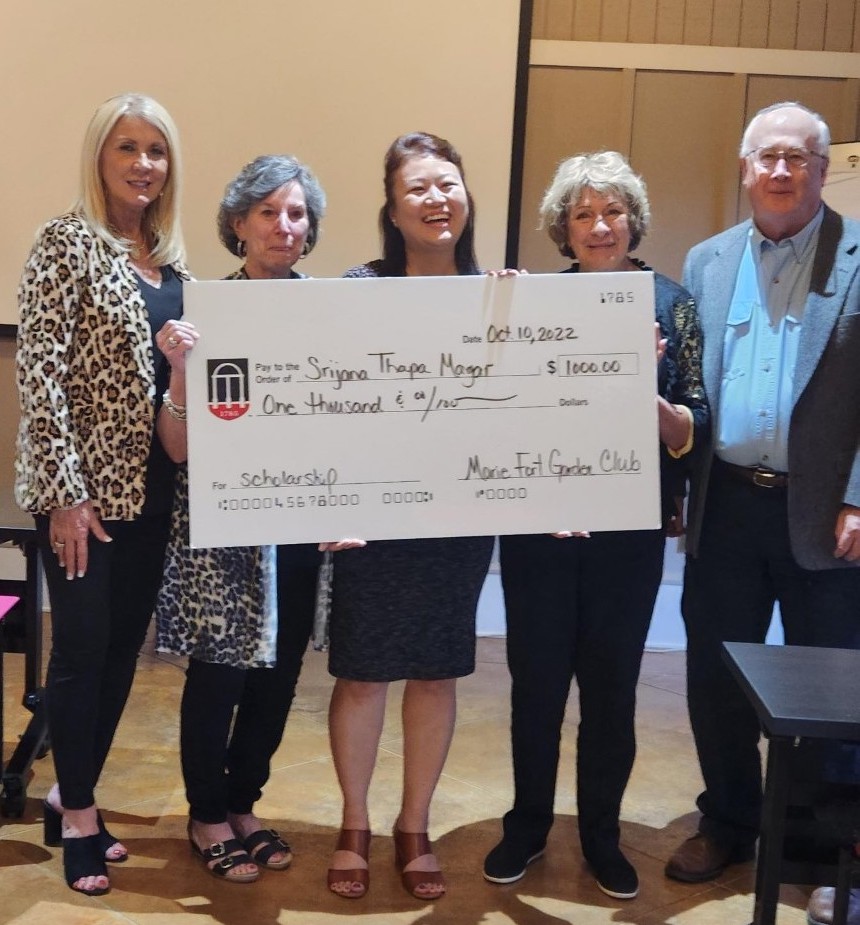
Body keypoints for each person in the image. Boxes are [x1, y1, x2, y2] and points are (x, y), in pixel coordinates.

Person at [481, 151, 708, 900]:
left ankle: (603, 836)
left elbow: (691, 431)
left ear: (633, 220)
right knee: (536, 685)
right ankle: (526, 826)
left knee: (611, 689)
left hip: (626, 532)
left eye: (612, 211)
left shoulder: (671, 303)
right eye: (582, 214)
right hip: (540, 528)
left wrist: (640, 383)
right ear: (563, 229)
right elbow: (496, 397)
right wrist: (494, 312)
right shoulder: (537, 300)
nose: (599, 226)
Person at [661, 103, 860, 925]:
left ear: (822, 171)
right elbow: (689, 391)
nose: (781, 172)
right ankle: (730, 817)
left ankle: (828, 846)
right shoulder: (706, 262)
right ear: (744, 168)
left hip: (827, 514)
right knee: (715, 675)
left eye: (799, 159)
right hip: (727, 505)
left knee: (834, 686)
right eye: (767, 157)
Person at [14, 93, 190, 896]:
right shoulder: (65, 242)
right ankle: (81, 814)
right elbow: (41, 373)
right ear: (100, 156)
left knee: (123, 654)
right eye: (127, 147)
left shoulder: (171, 265)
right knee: (82, 654)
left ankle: (66, 790)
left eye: (156, 149)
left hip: (157, 496)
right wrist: (62, 493)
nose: (143, 162)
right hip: (84, 500)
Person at [324, 132, 495, 901]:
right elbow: (328, 401)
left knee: (436, 669)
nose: (436, 199)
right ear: (392, 209)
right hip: (372, 514)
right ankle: (355, 823)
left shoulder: (499, 291)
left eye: (447, 185)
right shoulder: (358, 287)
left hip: (459, 514)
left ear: (466, 197)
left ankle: (413, 824)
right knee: (362, 674)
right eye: (418, 188)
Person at [155, 155, 329, 883]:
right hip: (224, 523)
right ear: (238, 224)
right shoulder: (200, 315)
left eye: (296, 214)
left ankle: (242, 800)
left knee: (280, 672)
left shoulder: (329, 310)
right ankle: (205, 813)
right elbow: (177, 445)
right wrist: (177, 371)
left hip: (297, 520)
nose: (283, 227)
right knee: (220, 670)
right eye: (268, 213)